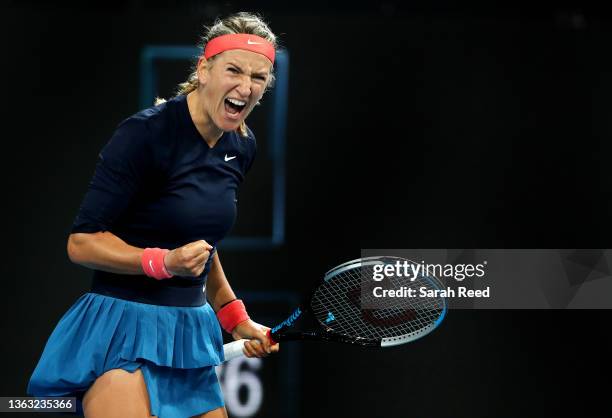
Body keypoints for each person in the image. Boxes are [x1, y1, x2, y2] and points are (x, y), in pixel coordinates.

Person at [27, 12, 279, 418]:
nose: (245, 87)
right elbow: (82, 242)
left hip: (189, 334)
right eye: (234, 70)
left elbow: (203, 246)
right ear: (204, 69)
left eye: (259, 78)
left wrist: (233, 315)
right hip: (121, 331)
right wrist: (161, 262)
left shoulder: (241, 146)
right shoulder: (144, 135)